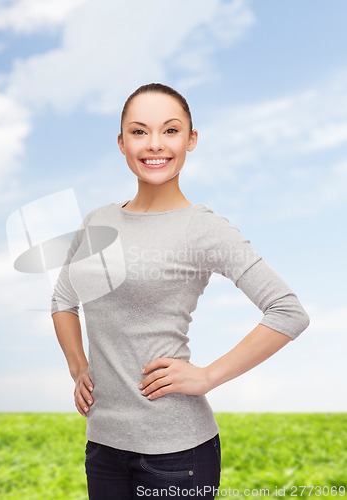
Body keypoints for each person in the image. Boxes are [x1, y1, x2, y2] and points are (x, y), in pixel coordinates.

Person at [51, 83, 310, 500]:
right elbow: (63, 299)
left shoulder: (202, 228)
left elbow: (287, 311)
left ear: (191, 140)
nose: (154, 144)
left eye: (170, 131)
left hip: (177, 456)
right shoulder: (96, 221)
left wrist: (207, 376)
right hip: (103, 444)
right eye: (139, 132)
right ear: (121, 143)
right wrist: (78, 366)